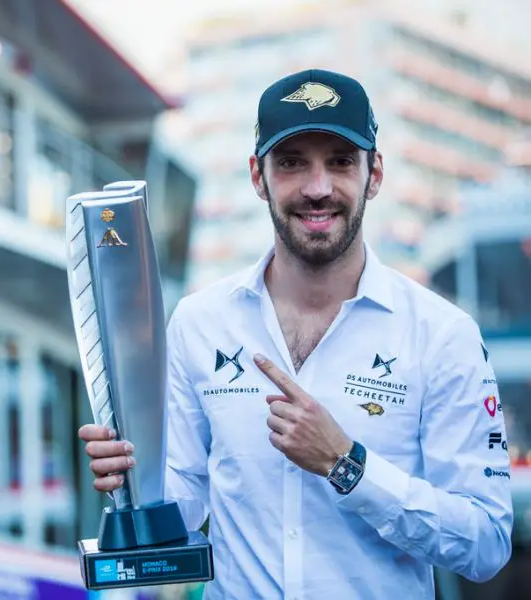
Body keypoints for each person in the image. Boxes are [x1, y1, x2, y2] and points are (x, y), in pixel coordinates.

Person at [78, 69, 513, 600]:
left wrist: (347, 465)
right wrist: (135, 476)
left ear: (374, 174)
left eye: (340, 162)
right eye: (291, 163)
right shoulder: (200, 322)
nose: (317, 188)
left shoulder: (442, 336)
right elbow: (186, 501)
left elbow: (486, 544)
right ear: (258, 177)